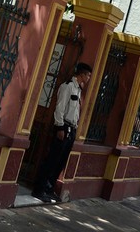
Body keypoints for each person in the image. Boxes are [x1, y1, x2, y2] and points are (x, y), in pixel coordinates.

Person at [31, 62, 94, 203]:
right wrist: (59, 127)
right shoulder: (67, 87)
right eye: (88, 75)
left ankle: (49, 188)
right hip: (63, 127)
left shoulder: (78, 89)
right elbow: (60, 108)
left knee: (60, 162)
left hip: (72, 128)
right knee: (52, 159)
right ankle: (39, 189)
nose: (89, 78)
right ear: (82, 74)